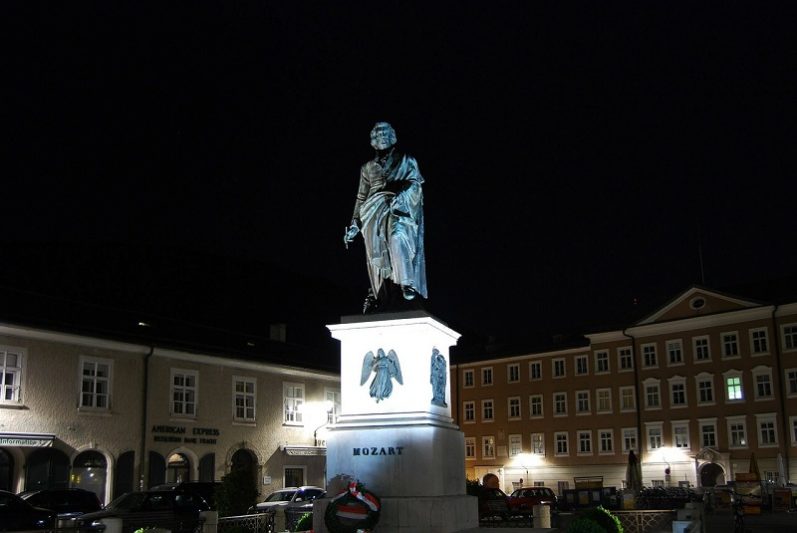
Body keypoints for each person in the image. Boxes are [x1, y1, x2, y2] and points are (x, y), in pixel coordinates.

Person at [344, 122, 427, 312]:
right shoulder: (367, 168)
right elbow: (361, 196)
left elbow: (416, 184)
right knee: (378, 254)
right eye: (378, 133)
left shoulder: (406, 159)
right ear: (373, 140)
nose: (381, 136)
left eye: (385, 133)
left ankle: (407, 283)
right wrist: (354, 224)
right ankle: (380, 292)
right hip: (372, 212)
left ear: (392, 137)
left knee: (398, 236)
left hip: (398, 208)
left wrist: (401, 194)